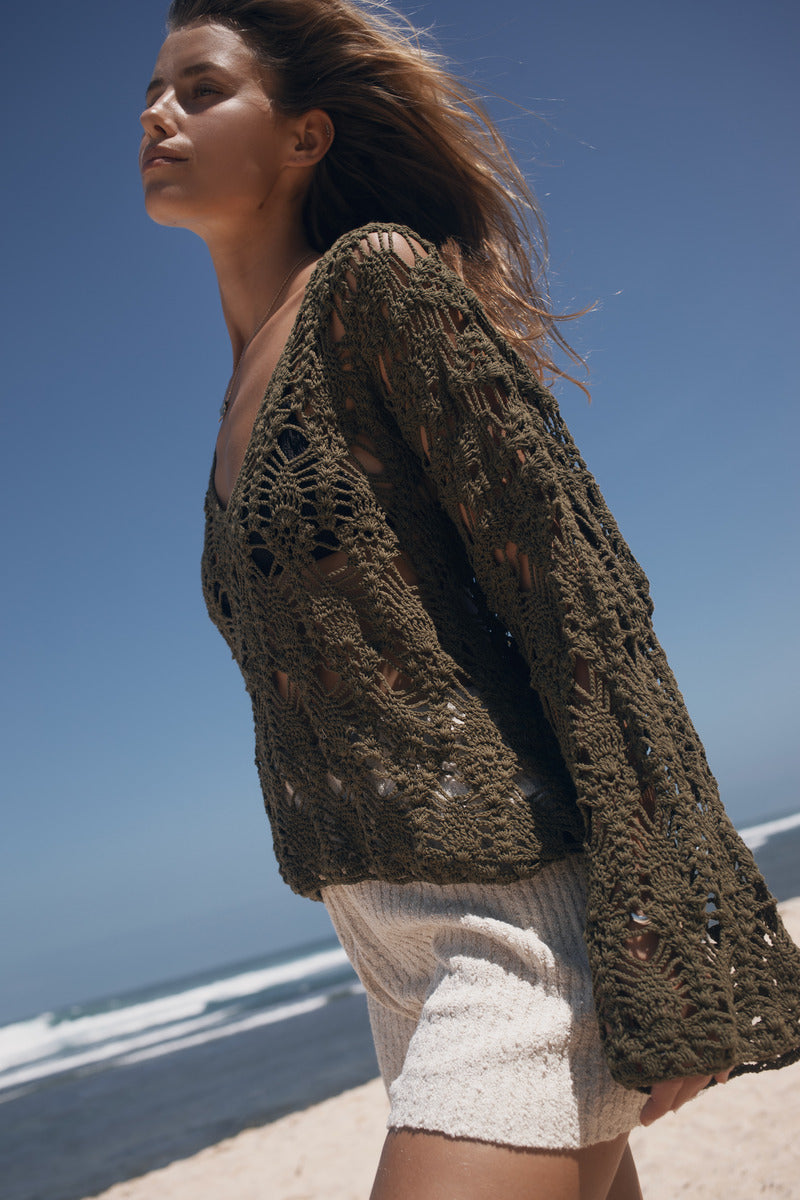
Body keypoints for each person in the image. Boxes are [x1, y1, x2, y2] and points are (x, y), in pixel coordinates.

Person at [139, 2, 800, 1197]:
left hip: (514, 925)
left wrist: (671, 928)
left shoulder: (372, 285)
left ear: (304, 136)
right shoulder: (237, 389)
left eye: (200, 88)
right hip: (382, 955)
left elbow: (579, 598)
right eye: (155, 90)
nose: (156, 113)